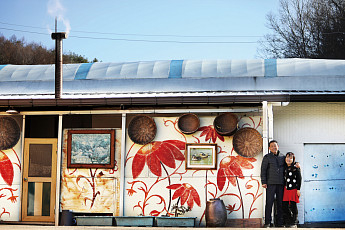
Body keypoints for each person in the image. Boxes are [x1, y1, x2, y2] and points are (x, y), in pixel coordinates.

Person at [261, 140, 285, 227]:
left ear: (278, 146)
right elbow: (263, 170)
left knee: (280, 203)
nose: (274, 148)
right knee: (269, 203)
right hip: (270, 183)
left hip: (281, 184)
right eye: (272, 146)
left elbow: (288, 166)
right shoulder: (267, 157)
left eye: (275, 146)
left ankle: (280, 223)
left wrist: (297, 165)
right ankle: (267, 222)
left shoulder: (283, 156)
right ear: (269, 148)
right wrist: (264, 182)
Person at [283, 152, 302, 228]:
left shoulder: (296, 168)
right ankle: (289, 220)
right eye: (287, 157)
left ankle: (294, 222)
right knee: (285, 206)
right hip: (286, 189)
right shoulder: (284, 167)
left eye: (290, 158)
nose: (288, 159)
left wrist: (298, 189)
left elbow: (299, 179)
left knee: (293, 206)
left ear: (293, 159)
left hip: (294, 189)